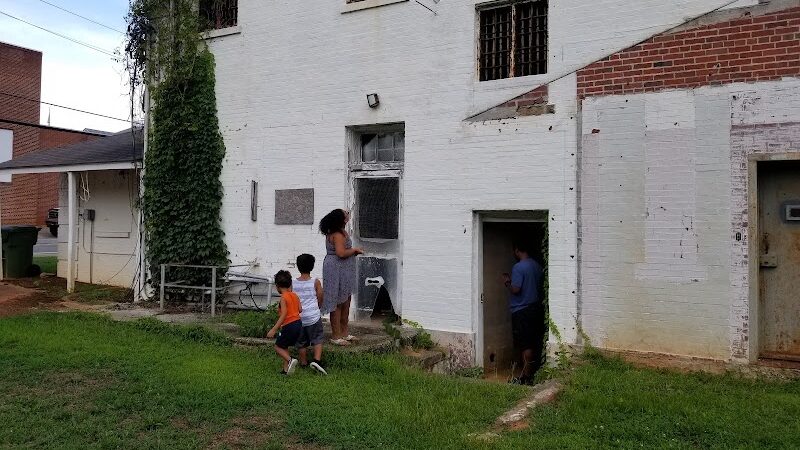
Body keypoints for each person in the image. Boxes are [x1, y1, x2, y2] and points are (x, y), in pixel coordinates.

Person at [501, 237, 545, 385]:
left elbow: (516, 289)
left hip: (522, 311)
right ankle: (533, 372)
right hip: (535, 308)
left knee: (525, 344)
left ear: (517, 250)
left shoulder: (518, 267)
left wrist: (507, 282)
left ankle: (525, 377)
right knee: (533, 341)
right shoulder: (537, 266)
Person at [319, 209, 363, 346]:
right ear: (341, 219)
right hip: (335, 269)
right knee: (337, 301)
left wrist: (353, 252)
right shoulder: (337, 234)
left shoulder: (342, 232)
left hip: (344, 269)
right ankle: (336, 335)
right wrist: (355, 250)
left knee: (346, 299)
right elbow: (341, 253)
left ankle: (345, 332)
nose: (348, 215)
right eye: (346, 214)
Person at [293, 253, 328, 375]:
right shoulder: (315, 282)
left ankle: (303, 362)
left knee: (301, 342)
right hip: (313, 316)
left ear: (298, 266)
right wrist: (317, 308)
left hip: (299, 317)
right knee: (317, 339)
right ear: (312, 266)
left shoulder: (293, 283)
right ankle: (317, 361)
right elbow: (320, 297)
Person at [267, 270, 302, 375]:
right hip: (298, 324)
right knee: (284, 346)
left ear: (277, 286)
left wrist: (274, 329)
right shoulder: (295, 295)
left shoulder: (283, 297)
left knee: (278, 346)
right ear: (290, 284)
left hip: (289, 325)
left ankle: (290, 359)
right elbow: (300, 309)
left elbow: (284, 315)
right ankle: (286, 370)